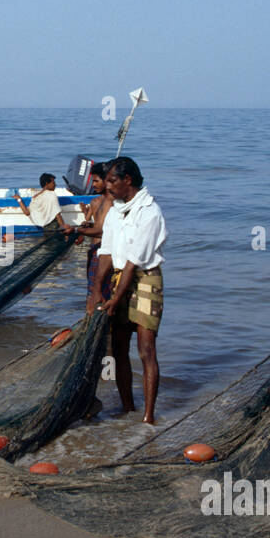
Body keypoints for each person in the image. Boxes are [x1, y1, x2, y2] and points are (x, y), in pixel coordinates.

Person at [88, 157, 165, 425]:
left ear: (127, 180)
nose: (107, 187)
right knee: (119, 348)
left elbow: (134, 261)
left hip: (145, 280)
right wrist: (98, 289)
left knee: (146, 350)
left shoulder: (149, 212)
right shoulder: (115, 211)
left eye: (112, 181)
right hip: (119, 277)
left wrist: (115, 298)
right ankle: (127, 407)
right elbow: (106, 252)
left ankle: (148, 416)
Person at [74, 160, 113, 287]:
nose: (93, 185)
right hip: (94, 249)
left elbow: (101, 230)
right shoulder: (95, 201)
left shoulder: (111, 202)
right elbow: (93, 223)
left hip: (105, 253)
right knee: (92, 289)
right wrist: (86, 226)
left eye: (96, 181)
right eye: (92, 181)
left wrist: (76, 230)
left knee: (98, 291)